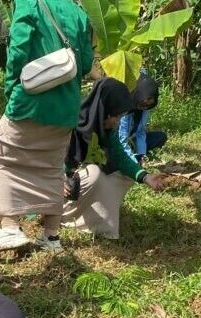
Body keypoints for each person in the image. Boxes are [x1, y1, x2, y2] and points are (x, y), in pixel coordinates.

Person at [0, 0, 94, 254]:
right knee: (51, 167)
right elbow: (87, 63)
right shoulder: (78, 13)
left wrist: (11, 90)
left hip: (29, 104)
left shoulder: (28, 3)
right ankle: (51, 237)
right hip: (66, 109)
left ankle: (9, 228)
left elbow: (17, 53)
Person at [61, 78, 171, 241]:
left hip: (76, 182)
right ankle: (63, 217)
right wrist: (58, 177)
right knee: (94, 173)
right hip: (56, 186)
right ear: (104, 110)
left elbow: (119, 155)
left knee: (123, 174)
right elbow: (46, 157)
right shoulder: (69, 122)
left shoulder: (105, 128)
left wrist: (145, 176)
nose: (118, 121)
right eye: (116, 116)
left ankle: (95, 222)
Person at [118, 70, 168, 165]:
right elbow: (122, 138)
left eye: (149, 104)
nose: (145, 107)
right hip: (117, 141)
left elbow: (141, 132)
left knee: (161, 136)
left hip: (131, 139)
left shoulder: (146, 108)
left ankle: (136, 153)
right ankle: (129, 155)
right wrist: (134, 163)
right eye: (144, 103)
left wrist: (142, 156)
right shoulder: (125, 108)